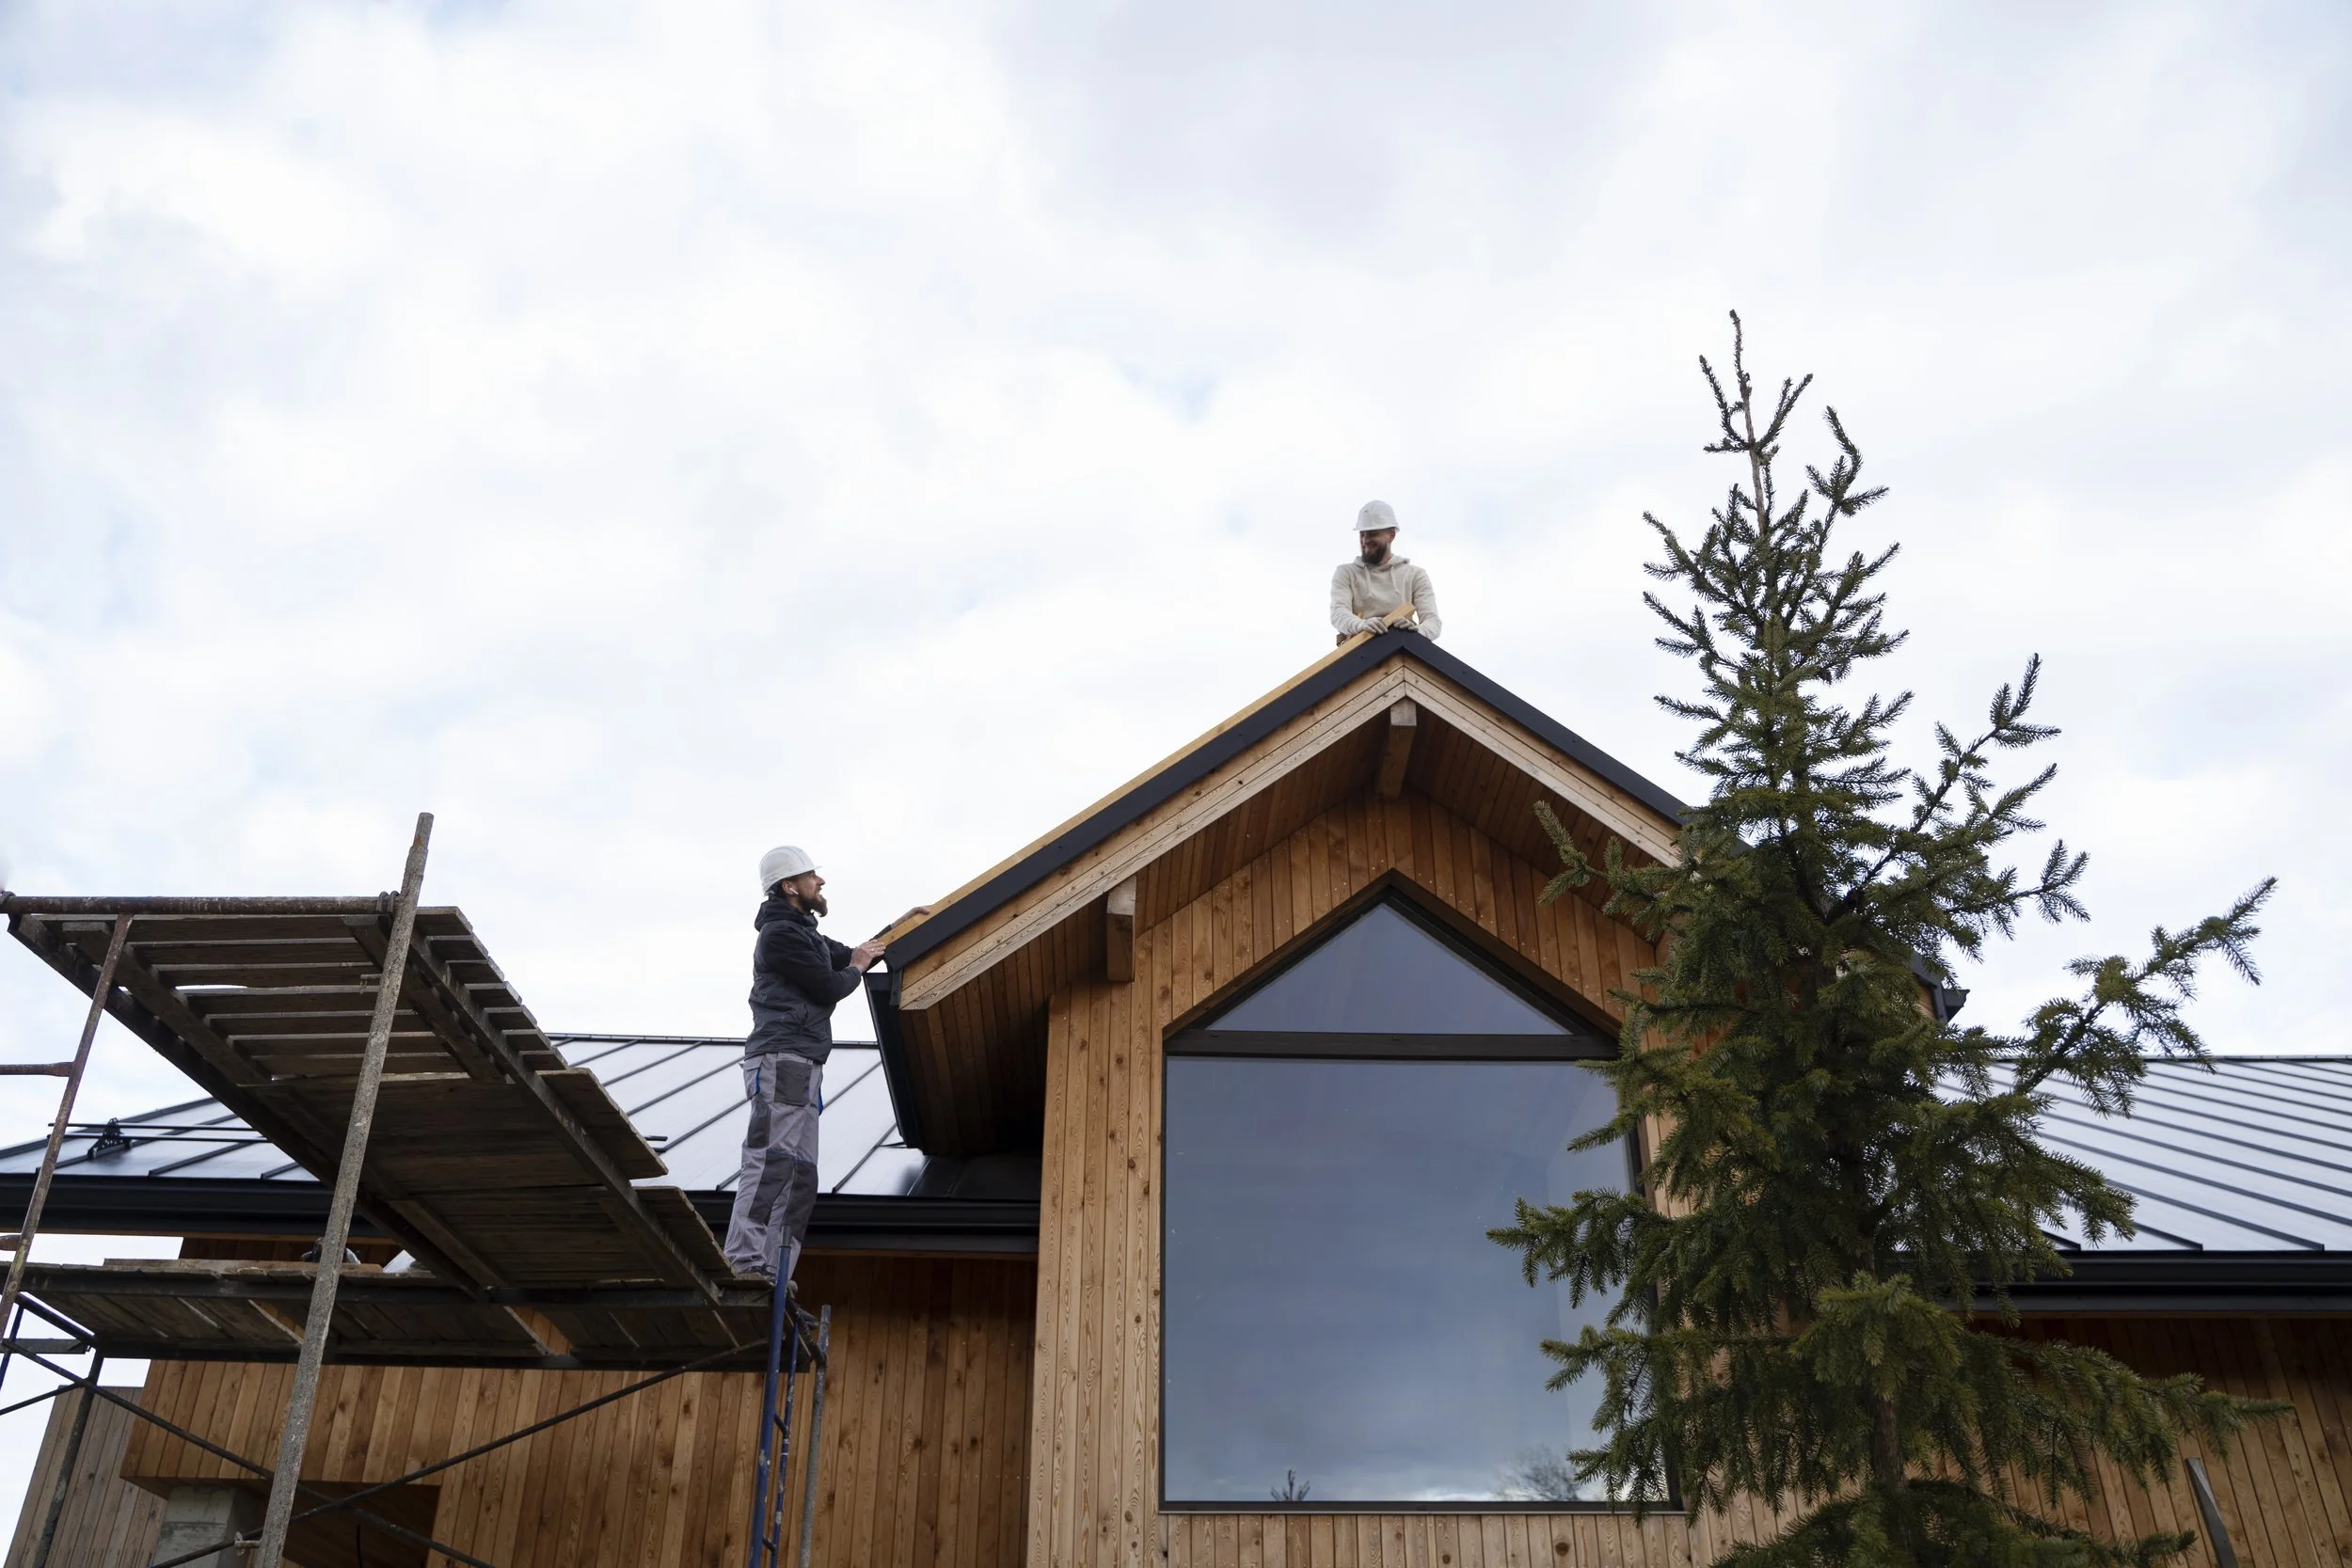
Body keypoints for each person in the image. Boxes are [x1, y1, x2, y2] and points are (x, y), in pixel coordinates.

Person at [724, 845, 929, 1281]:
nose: (820, 881)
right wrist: (856, 966)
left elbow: (856, 953)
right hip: (782, 1059)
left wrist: (901, 927)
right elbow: (830, 984)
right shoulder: (779, 936)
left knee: (800, 1177)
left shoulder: (805, 933)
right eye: (811, 875)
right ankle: (744, 1261)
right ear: (790, 886)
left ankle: (775, 1272)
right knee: (770, 1159)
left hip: (803, 1064)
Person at [1329, 499, 1441, 643]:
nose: (1365, 540)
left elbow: (1432, 621)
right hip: (1358, 652)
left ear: (1391, 535)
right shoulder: (1346, 573)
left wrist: (1417, 632)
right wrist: (1361, 625)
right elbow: (1338, 613)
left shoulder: (1415, 575)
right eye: (1362, 534)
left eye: (1372, 534)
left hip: (1404, 650)